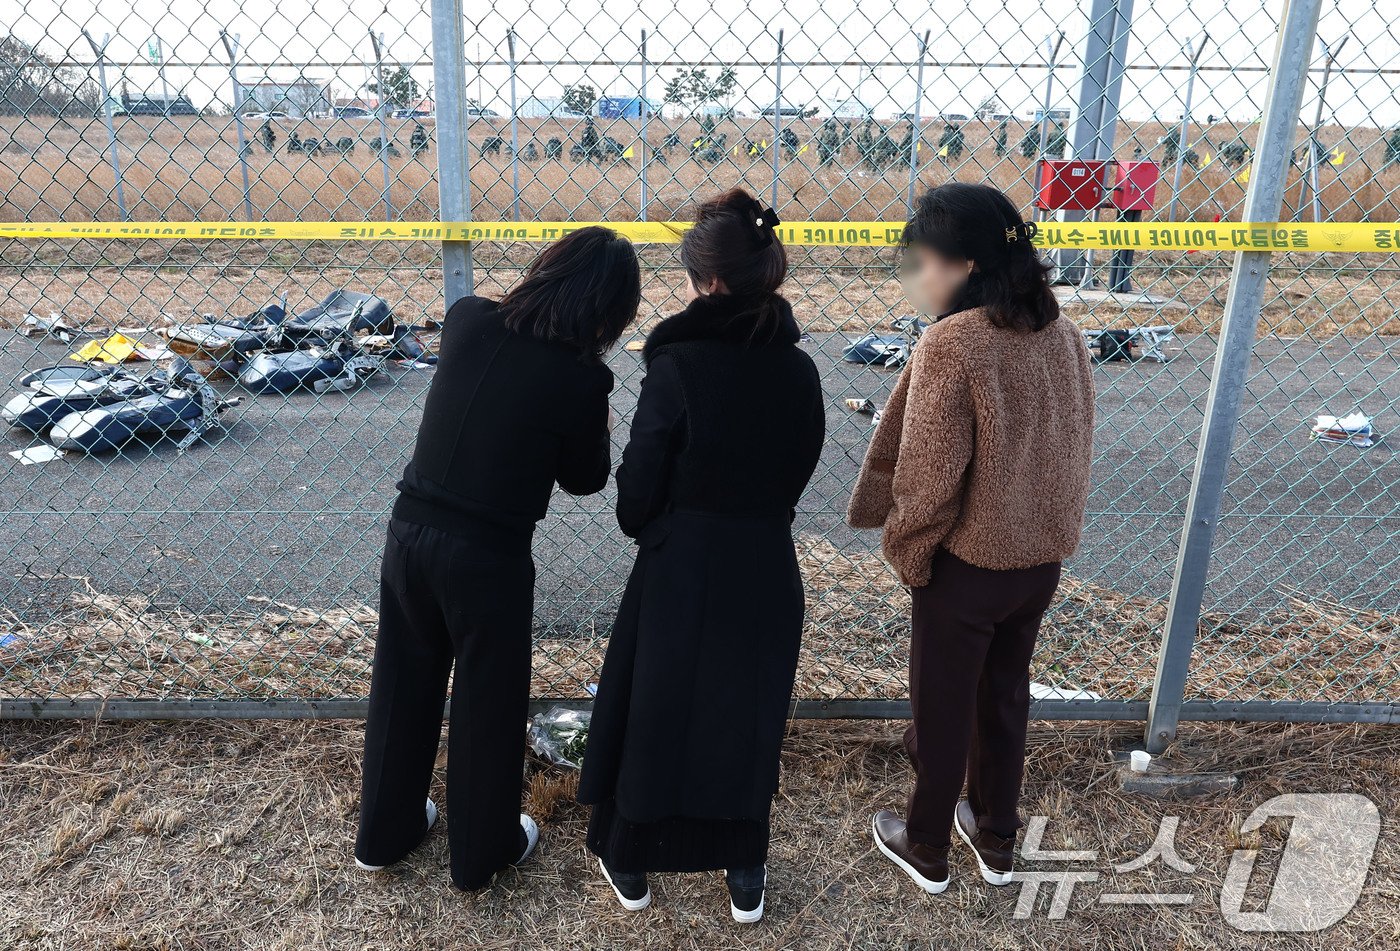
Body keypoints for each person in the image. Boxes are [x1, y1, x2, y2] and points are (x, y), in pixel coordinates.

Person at [354, 226, 640, 891]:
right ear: (608, 314)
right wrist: (594, 395)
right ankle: (483, 849)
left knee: (403, 682)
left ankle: (383, 833)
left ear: (546, 268)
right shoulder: (581, 378)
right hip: (489, 557)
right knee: (489, 701)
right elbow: (587, 477)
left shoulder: (467, 318)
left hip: (410, 532)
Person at [578, 189, 826, 923]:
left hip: (681, 563)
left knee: (656, 707)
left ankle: (631, 854)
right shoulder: (800, 369)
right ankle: (744, 870)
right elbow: (798, 469)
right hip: (764, 562)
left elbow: (636, 489)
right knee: (747, 713)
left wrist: (659, 523)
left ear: (709, 281)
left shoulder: (678, 363)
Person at [847, 182, 1095, 894]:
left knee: (942, 704)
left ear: (961, 264)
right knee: (1004, 697)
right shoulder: (1062, 332)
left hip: (968, 562)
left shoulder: (954, 342)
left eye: (920, 259)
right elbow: (1075, 442)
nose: (917, 275)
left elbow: (928, 473)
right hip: (1038, 560)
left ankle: (924, 842)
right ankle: (995, 834)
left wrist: (909, 548)